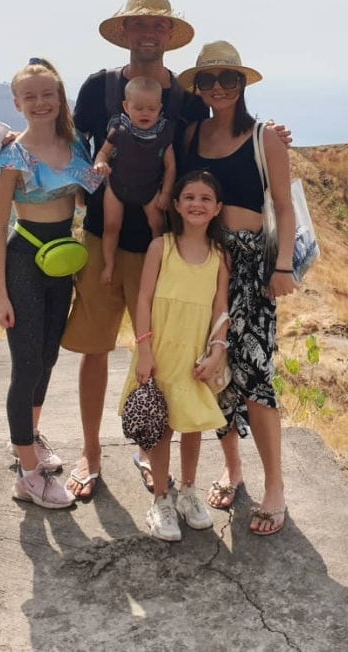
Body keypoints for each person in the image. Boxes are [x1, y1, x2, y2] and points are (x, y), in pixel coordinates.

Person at [61, 0, 209, 499]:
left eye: (158, 26)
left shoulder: (188, 102)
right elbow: (72, 146)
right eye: (139, 25)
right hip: (104, 236)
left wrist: (269, 135)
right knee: (95, 350)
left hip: (164, 248)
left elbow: (203, 156)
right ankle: (90, 452)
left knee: (161, 356)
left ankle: (151, 450)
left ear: (170, 35)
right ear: (124, 33)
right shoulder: (99, 89)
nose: (149, 33)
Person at [178, 41, 296, 535]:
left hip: (253, 266)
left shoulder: (264, 135)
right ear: (198, 88)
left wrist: (283, 266)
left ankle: (275, 487)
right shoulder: (189, 135)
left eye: (228, 78)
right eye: (208, 80)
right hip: (205, 263)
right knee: (214, 370)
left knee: (256, 375)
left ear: (242, 84)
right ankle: (232, 467)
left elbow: (285, 208)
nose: (219, 87)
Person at [0, 57, 100, 509]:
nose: (39, 103)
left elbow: (97, 185)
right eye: (29, 96)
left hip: (63, 262)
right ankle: (28, 474)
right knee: (26, 365)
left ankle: (30, 439)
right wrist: (0, 293)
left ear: (59, 99)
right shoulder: (12, 154)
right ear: (17, 103)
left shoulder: (76, 147)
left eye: (47, 95)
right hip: (23, 261)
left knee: (48, 356)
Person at [120, 170, 229, 541]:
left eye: (205, 198)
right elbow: (144, 300)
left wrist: (217, 351)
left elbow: (220, 309)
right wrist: (144, 349)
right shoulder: (160, 247)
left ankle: (188, 492)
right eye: (190, 197)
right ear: (178, 205)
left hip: (195, 353)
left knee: (192, 423)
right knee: (162, 427)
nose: (197, 204)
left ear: (217, 209)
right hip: (160, 350)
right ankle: (161, 499)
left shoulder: (219, 256)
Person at [94, 75, 176, 285]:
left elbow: (170, 167)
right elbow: (102, 153)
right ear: (126, 106)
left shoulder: (164, 133)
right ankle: (109, 265)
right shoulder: (119, 130)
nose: (145, 113)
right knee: (111, 225)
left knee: (157, 224)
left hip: (148, 188)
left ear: (159, 107)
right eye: (138, 108)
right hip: (117, 185)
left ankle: (161, 264)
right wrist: (100, 164)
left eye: (151, 108)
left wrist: (166, 193)